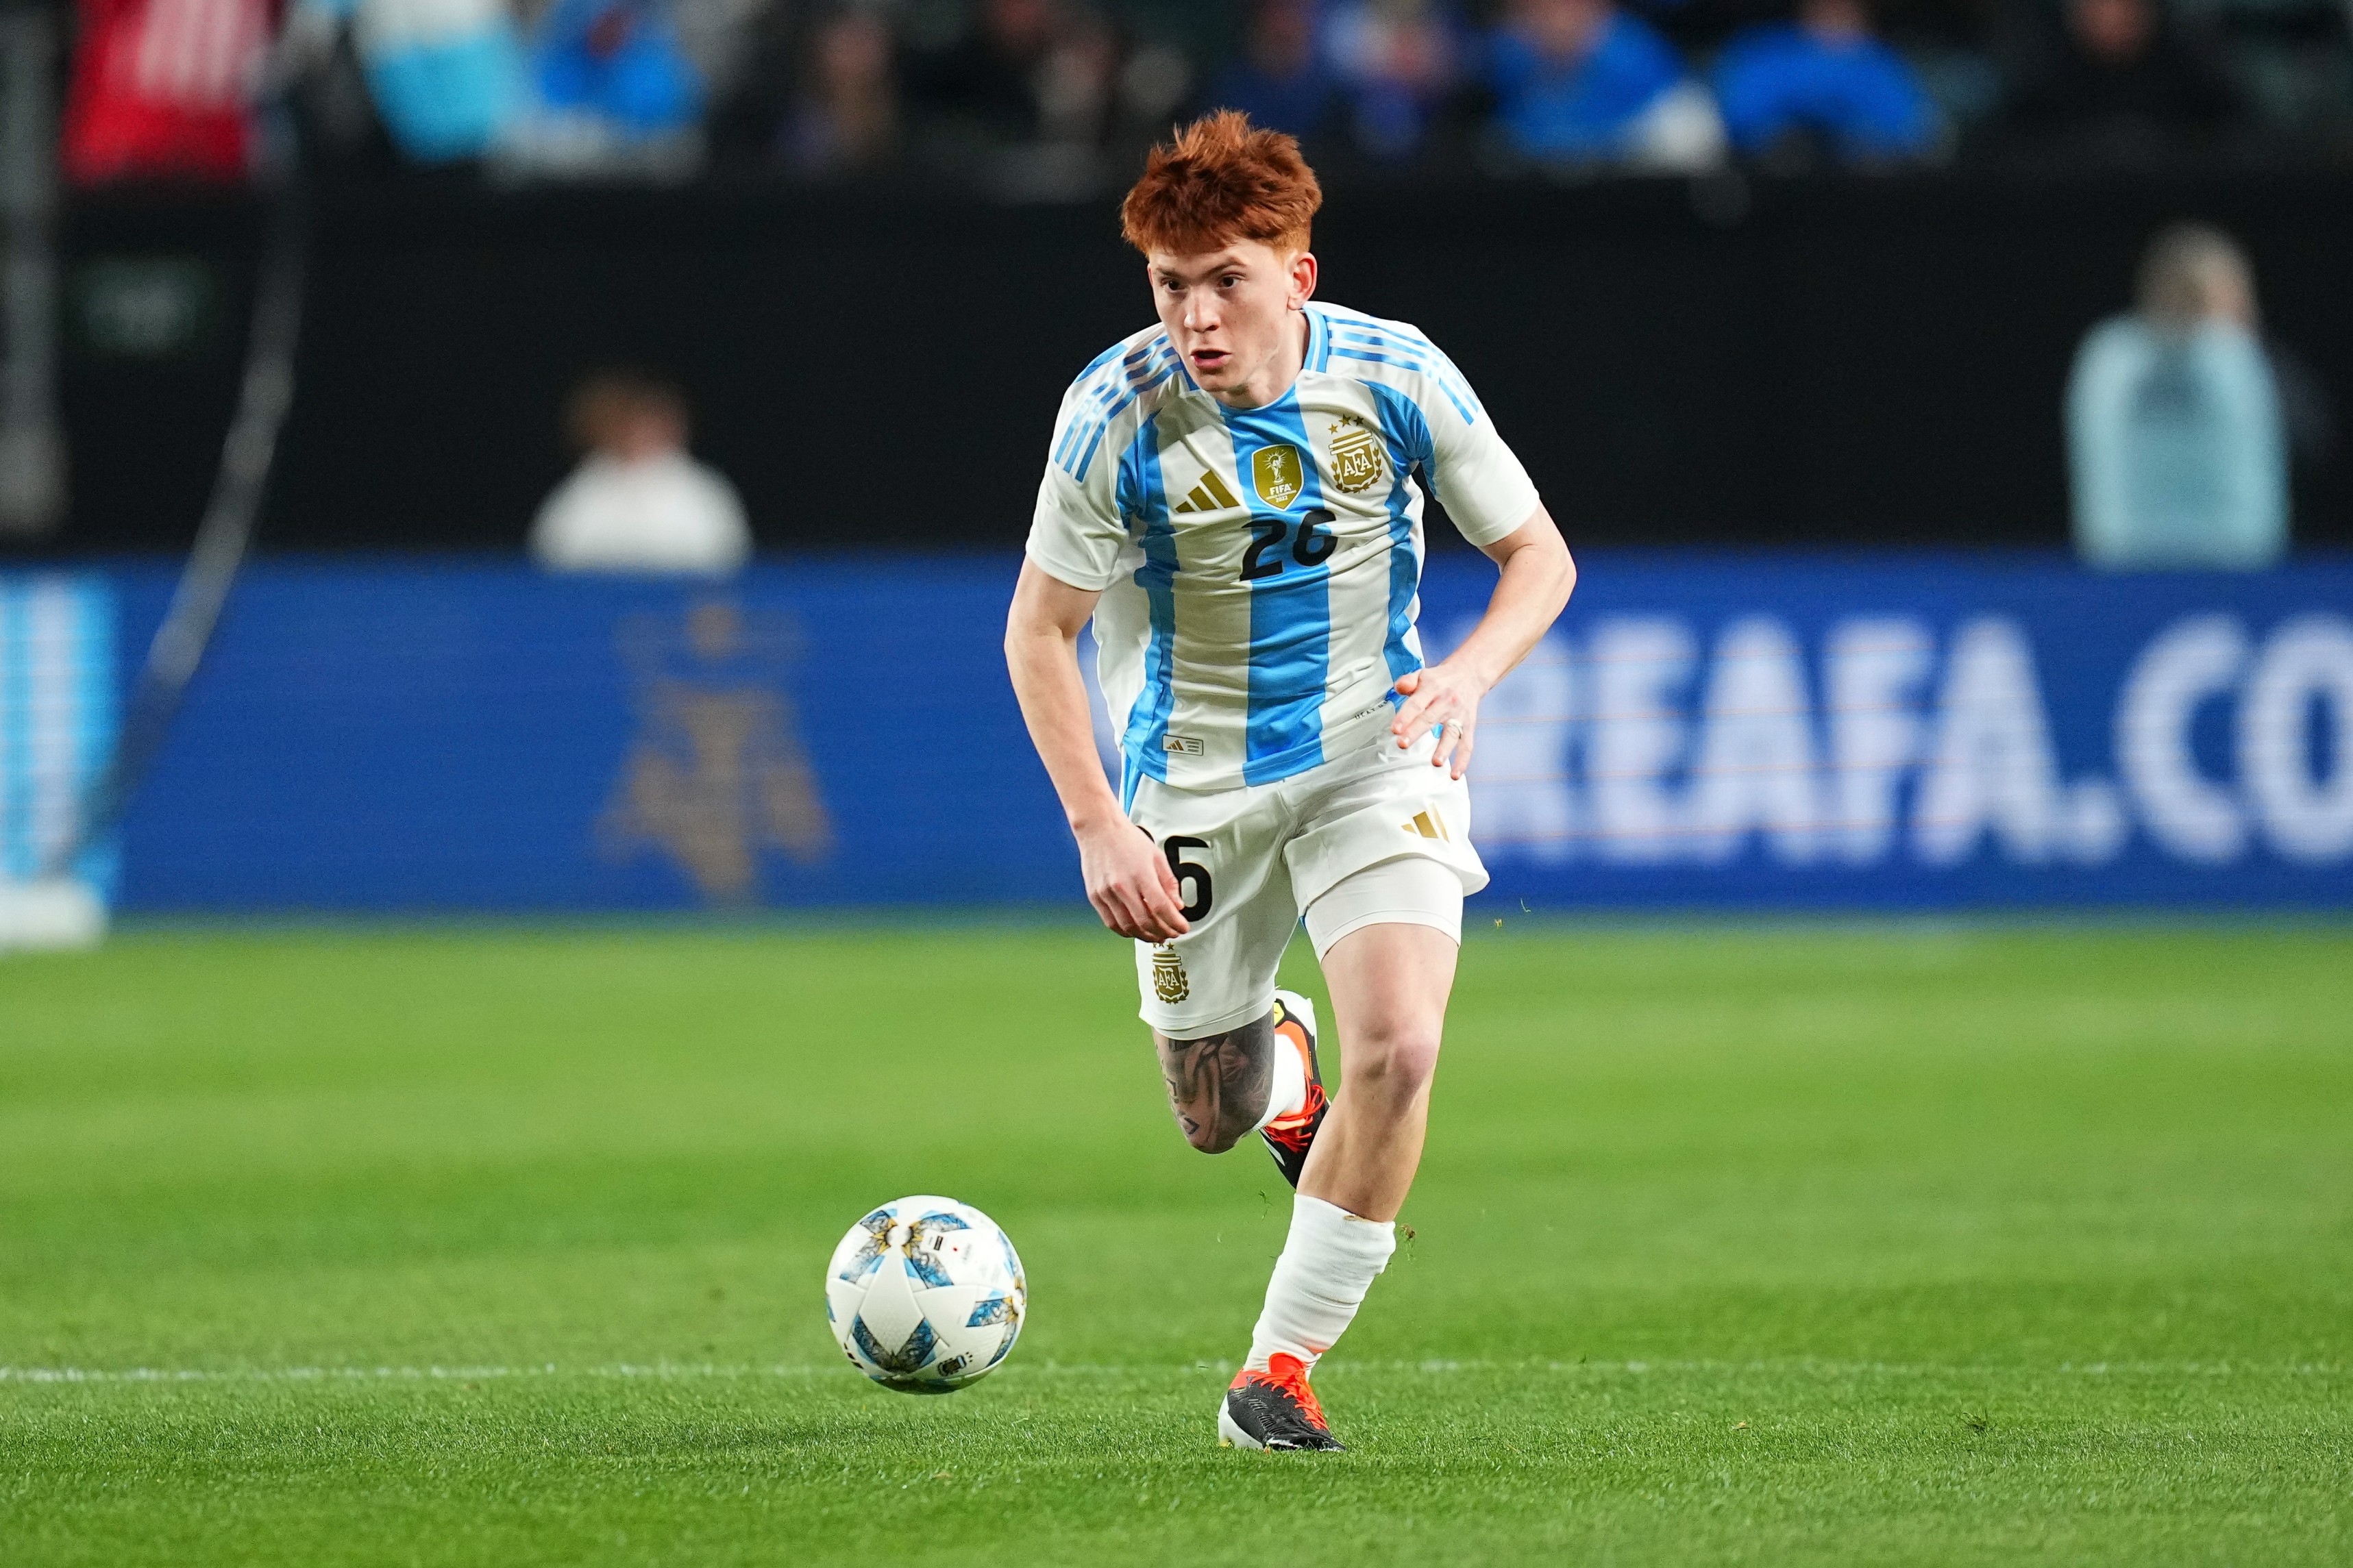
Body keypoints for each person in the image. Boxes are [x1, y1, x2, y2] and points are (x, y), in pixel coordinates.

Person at [1004, 111, 1575, 1451]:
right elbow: (1041, 628)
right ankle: (1283, 1065)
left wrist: (1469, 677)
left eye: (1225, 280)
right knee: (1210, 1113)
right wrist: (1097, 824)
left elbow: (1538, 556)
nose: (1194, 316)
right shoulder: (1114, 413)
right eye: (1169, 284)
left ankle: (1279, 1366)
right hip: (1189, 787)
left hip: (1372, 759)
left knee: (1408, 1043)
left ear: (1296, 275)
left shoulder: (1396, 376)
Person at [2066, 224, 2287, 570]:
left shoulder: (2107, 354)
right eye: (2239, 296)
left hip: (2138, 569)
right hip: (2211, 568)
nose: (2252, 310)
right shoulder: (2232, 361)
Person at [530, 371, 752, 575]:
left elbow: (727, 558)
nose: (644, 432)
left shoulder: (702, 489)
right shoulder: (586, 488)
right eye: (636, 423)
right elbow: (552, 555)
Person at [1483, 0, 1724, 170]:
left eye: (1558, 7)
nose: (1550, 21)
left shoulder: (1637, 58)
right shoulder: (1512, 64)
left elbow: (1690, 140)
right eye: (1533, 11)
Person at [2005, 0, 2239, 160]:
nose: (2114, 14)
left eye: (2126, 5)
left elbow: (2234, 142)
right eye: (2101, 5)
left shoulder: (2191, 71)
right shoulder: (2045, 76)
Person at [1711, 0, 1936, 164]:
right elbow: (1736, 120)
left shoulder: (1881, 62)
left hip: (1862, 194)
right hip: (1771, 186)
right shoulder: (1762, 50)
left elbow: (1915, 132)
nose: (1833, 9)